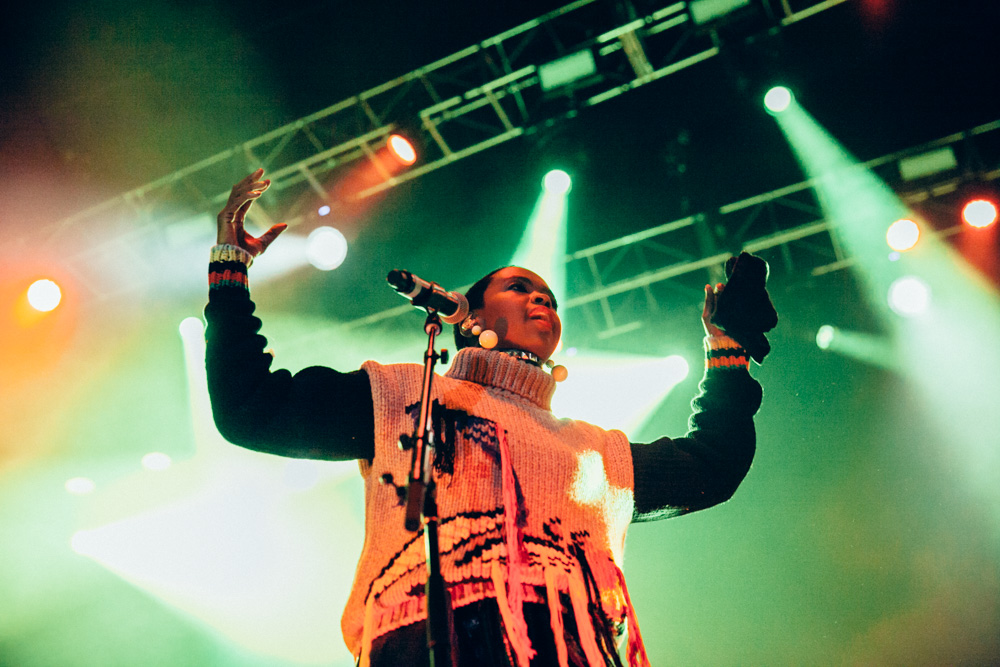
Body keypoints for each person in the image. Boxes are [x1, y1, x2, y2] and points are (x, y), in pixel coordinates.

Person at [205, 170, 766, 667]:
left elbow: (713, 464)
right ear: (466, 314)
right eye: (518, 287)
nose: (540, 298)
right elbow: (251, 409)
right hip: (420, 636)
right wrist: (230, 271)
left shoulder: (595, 452)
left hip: (566, 646)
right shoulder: (404, 391)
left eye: (547, 293)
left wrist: (728, 351)